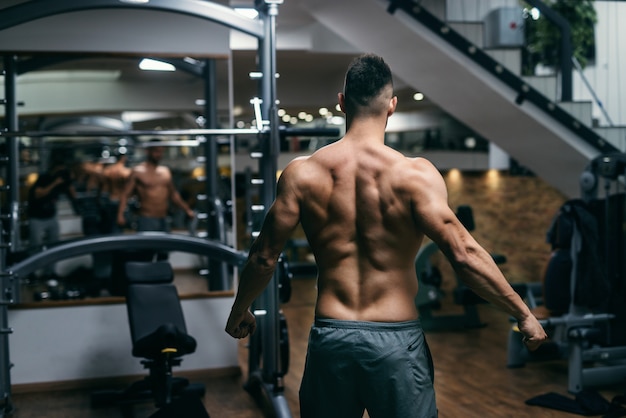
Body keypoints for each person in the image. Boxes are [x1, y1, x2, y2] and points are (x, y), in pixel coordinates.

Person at [225, 53, 547, 418]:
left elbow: (264, 256)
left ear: (342, 102)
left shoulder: (302, 174)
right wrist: (523, 314)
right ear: (392, 105)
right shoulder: (415, 175)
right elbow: (463, 253)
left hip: (332, 336)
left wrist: (240, 308)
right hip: (396, 342)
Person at [116, 138, 195, 233]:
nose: (159, 155)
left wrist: (187, 210)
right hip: (146, 218)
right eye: (156, 151)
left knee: (165, 247)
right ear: (148, 151)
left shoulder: (165, 171)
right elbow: (125, 194)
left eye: (161, 151)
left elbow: (173, 194)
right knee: (147, 247)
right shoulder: (138, 171)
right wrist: (120, 214)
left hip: (164, 219)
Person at [27, 153, 77, 279]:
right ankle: (32, 272)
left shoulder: (62, 181)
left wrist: (69, 180)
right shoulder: (44, 178)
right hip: (37, 217)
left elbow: (73, 196)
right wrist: (55, 183)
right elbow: (38, 194)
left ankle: (50, 273)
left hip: (51, 216)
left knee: (54, 246)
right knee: (35, 247)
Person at [101, 149, 132, 234]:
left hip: (110, 199)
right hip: (121, 201)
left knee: (111, 225)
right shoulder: (125, 172)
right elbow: (127, 191)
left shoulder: (107, 171)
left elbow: (103, 188)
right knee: (121, 227)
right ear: (123, 158)